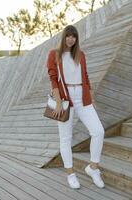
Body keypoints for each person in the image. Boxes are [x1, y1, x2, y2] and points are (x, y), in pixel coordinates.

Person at [46, 25, 105, 189]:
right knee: (65, 138)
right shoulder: (54, 54)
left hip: (82, 97)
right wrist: (58, 102)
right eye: (68, 36)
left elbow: (85, 76)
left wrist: (91, 97)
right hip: (65, 99)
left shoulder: (80, 55)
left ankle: (93, 168)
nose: (71, 39)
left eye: (74, 36)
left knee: (98, 131)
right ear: (64, 37)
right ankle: (70, 174)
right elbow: (53, 80)